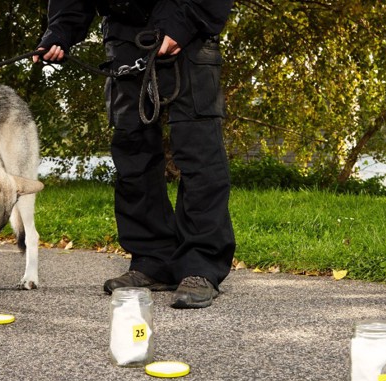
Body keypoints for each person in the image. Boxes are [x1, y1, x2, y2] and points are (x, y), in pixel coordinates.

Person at [36, 0, 236, 308]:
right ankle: (153, 260)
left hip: (189, 30)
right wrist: (60, 31)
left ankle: (200, 265)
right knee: (133, 153)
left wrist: (181, 24)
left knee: (198, 152)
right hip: (125, 38)